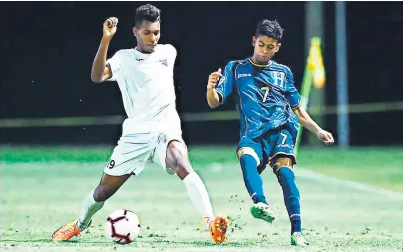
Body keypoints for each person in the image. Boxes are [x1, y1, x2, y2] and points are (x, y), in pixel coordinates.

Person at [52, 4, 228, 244]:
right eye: (147, 32)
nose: (153, 38)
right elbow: (96, 76)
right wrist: (106, 40)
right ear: (135, 32)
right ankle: (80, 224)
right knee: (103, 191)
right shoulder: (124, 58)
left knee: (181, 161)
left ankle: (211, 223)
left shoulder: (168, 52)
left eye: (156, 32)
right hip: (135, 136)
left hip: (166, 130)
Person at [206, 19, 334, 246]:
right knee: (246, 157)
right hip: (254, 133)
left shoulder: (283, 72)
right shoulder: (235, 68)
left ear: (277, 48)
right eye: (261, 44)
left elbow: (298, 111)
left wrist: (318, 130)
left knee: (285, 174)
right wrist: (210, 87)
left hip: (281, 130)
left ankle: (297, 232)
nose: (264, 51)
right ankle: (261, 204)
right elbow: (215, 102)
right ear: (254, 41)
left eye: (270, 47)